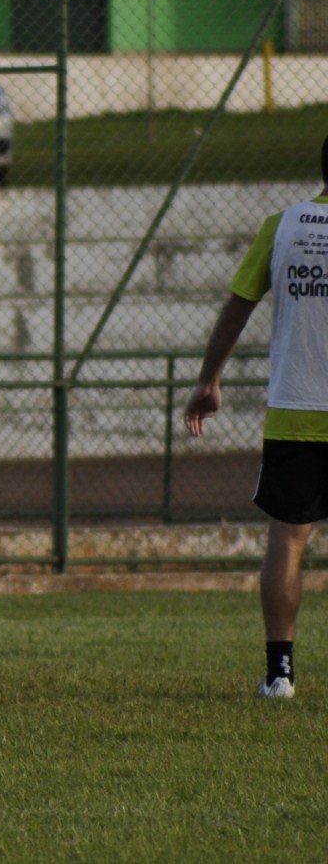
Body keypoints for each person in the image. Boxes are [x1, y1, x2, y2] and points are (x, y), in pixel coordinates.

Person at [184, 138, 328, 700]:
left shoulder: (283, 226)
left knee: (288, 541)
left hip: (295, 408)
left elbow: (238, 305)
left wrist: (208, 381)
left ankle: (280, 673)